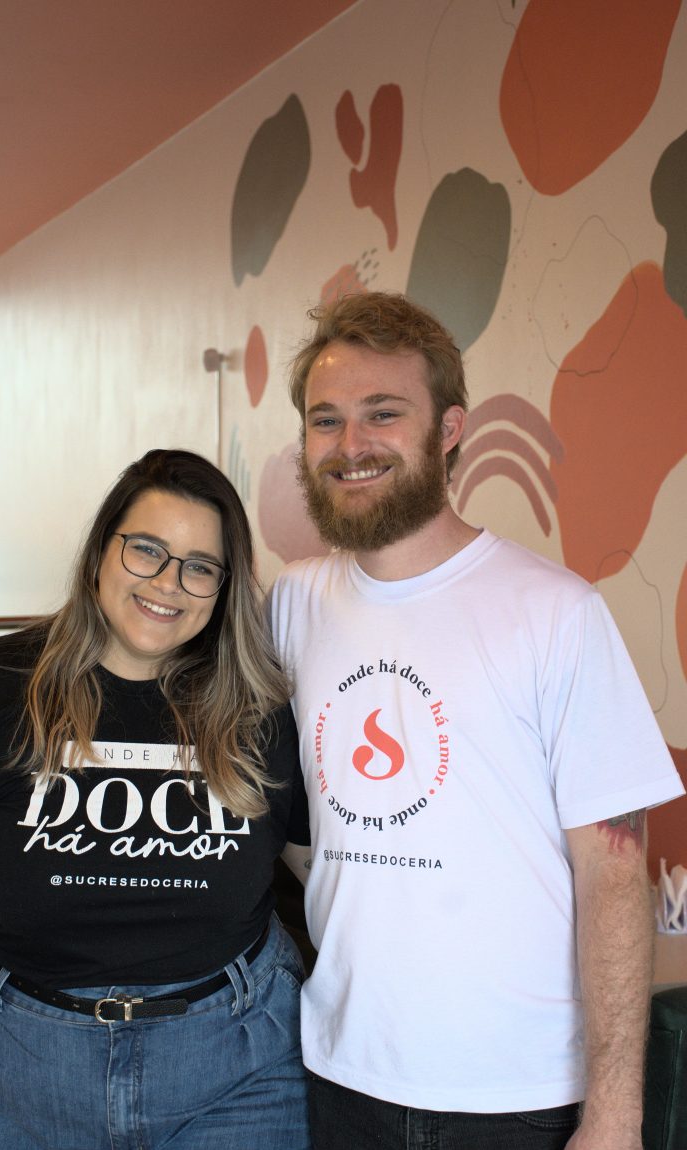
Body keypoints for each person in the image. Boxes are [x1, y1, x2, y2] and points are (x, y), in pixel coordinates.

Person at [269, 291, 685, 1150]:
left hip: (519, 1094)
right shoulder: (293, 606)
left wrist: (615, 1116)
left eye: (383, 413)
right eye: (325, 420)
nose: (350, 445)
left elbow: (613, 876)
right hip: (340, 1074)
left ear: (449, 429)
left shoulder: (555, 612)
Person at [0, 448, 311, 1150]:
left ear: (223, 589)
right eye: (147, 550)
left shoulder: (262, 713)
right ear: (102, 549)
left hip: (235, 1069)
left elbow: (338, 883)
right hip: (6, 1067)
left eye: (201, 567)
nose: (169, 583)